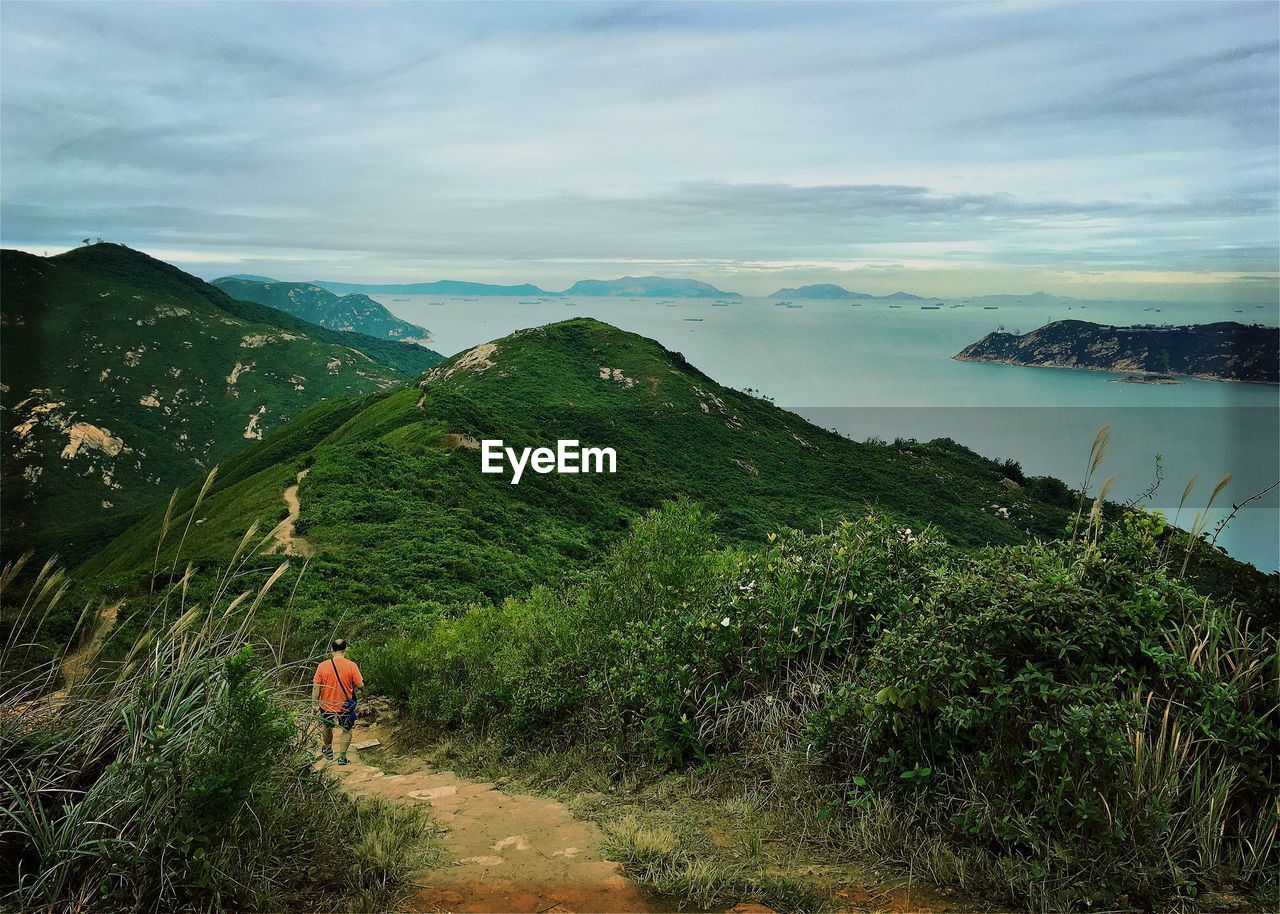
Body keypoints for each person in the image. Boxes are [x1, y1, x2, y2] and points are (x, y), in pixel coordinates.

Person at [312, 638, 364, 765]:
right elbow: (360, 684)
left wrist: (314, 704)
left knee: (327, 726)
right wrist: (364, 693)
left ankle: (328, 749)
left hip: (326, 703)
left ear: (331, 650)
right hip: (345, 704)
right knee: (346, 728)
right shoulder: (352, 665)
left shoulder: (322, 666)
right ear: (345, 650)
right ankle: (342, 757)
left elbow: (316, 687)